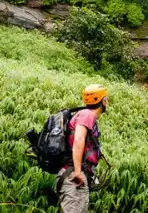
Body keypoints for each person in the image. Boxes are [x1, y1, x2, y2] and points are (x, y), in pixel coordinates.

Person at [57, 84, 109, 213]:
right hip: (74, 177)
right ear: (103, 101)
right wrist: (78, 171)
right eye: (106, 98)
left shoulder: (85, 115)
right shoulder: (87, 115)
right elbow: (78, 140)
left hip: (72, 176)